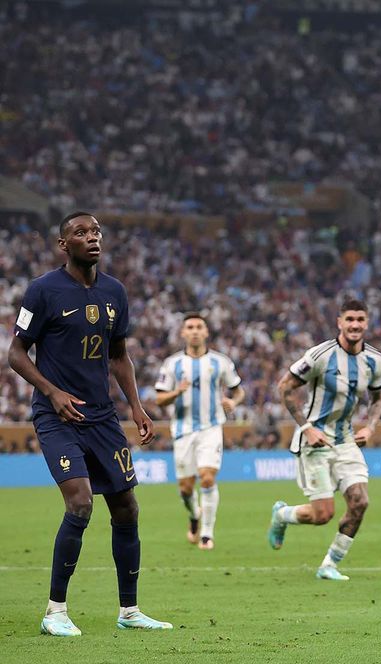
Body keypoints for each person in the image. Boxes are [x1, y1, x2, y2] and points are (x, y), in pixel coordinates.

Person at [8, 212, 171, 636]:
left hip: (101, 416)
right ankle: (55, 613)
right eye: (80, 232)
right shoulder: (43, 291)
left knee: (126, 507)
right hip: (58, 415)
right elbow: (17, 354)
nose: (91, 237)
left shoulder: (115, 291)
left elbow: (118, 356)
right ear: (64, 245)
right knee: (80, 503)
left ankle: (129, 611)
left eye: (96, 231)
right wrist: (52, 392)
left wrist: (136, 406)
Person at [267, 299, 381, 581]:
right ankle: (282, 515)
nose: (355, 325)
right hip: (315, 440)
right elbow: (285, 387)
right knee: (323, 515)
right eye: (350, 319)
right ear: (339, 323)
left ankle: (329, 565)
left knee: (359, 503)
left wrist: (370, 427)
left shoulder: (375, 360)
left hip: (345, 439)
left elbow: (378, 399)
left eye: (360, 319)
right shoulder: (320, 355)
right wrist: (307, 427)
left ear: (367, 323)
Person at [154, 313, 244, 549]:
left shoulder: (220, 362)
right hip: (183, 430)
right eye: (190, 327)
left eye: (199, 327)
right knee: (185, 488)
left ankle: (206, 533)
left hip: (211, 428)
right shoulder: (172, 364)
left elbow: (238, 390)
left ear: (206, 332)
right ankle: (194, 514)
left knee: (207, 477)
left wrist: (233, 403)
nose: (194, 331)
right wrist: (177, 392)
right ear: (183, 333)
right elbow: (160, 399)